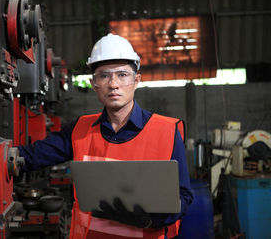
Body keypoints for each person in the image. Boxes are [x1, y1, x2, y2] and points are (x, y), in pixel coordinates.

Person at [18, 33, 193, 239]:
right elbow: (31, 157)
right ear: (94, 84)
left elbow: (183, 196)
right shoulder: (79, 130)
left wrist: (150, 219)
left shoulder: (166, 131)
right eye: (104, 75)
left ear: (136, 80)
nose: (113, 84)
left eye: (122, 75)